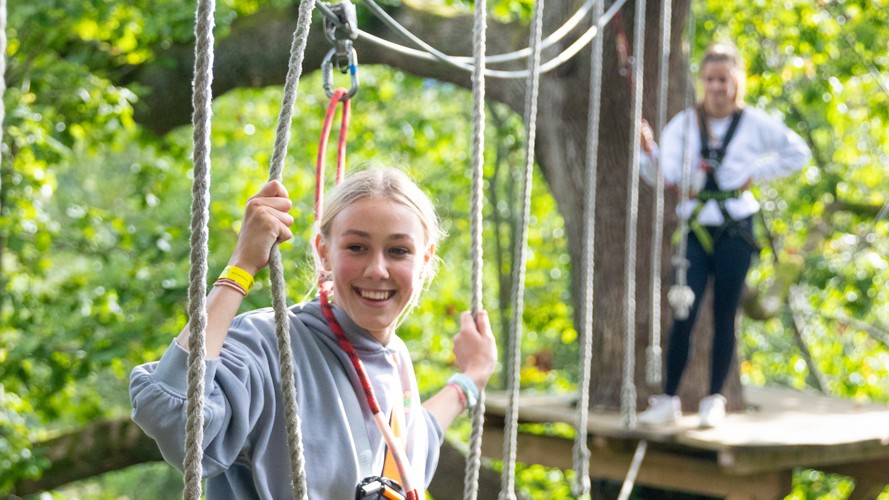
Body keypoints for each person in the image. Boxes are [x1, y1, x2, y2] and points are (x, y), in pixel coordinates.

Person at [130, 168, 498, 498]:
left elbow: (415, 441)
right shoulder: (271, 344)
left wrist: (470, 380)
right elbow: (175, 418)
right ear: (323, 251)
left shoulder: (395, 360)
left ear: (425, 260)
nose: (377, 269)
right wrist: (242, 266)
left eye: (398, 251)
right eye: (357, 247)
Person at [637, 42, 811, 428]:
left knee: (725, 312)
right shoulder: (684, 124)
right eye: (711, 80)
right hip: (697, 224)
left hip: (735, 225)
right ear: (703, 82)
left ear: (736, 83)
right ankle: (668, 398)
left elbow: (797, 152)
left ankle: (713, 398)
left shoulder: (754, 124)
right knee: (685, 309)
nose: (717, 88)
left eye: (724, 80)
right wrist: (647, 153)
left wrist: (755, 173)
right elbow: (663, 177)